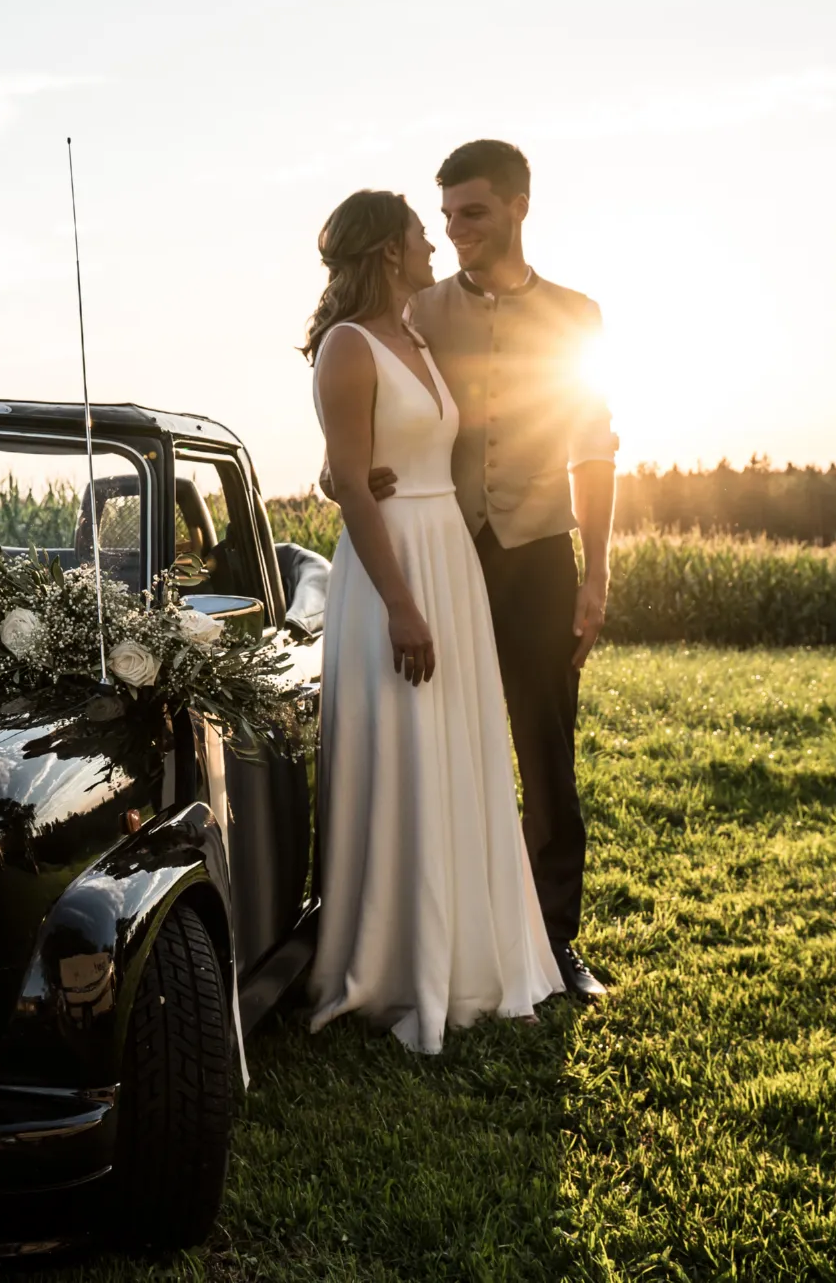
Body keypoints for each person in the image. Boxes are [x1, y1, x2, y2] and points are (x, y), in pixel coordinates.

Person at [331, 139, 618, 1003]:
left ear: (520, 207)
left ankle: (553, 942)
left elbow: (594, 453)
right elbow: (362, 407)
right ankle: (443, 931)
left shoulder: (577, 316)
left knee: (546, 753)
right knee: (443, 745)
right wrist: (338, 474)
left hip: (536, 556)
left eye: (474, 213)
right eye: (446, 216)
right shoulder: (419, 310)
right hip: (447, 557)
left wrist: (596, 574)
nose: (455, 232)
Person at [303, 188, 564, 1054]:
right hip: (391, 572)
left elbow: (362, 462)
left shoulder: (413, 336)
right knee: (404, 752)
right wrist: (402, 606)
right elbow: (347, 477)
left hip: (444, 547)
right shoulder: (347, 347)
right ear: (387, 252)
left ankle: (467, 953)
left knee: (453, 748)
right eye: (421, 231)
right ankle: (391, 962)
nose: (434, 242)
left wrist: (347, 476)